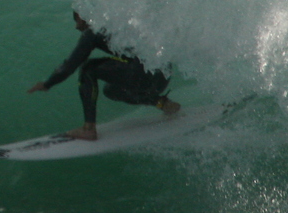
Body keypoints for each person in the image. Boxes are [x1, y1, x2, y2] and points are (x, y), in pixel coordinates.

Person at [27, 11, 179, 140]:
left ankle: (88, 129)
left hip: (142, 76)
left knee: (87, 68)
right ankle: (163, 103)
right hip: (161, 78)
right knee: (111, 90)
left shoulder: (93, 31)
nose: (76, 26)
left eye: (76, 20)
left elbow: (69, 66)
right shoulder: (116, 23)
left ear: (84, 16)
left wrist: (47, 84)